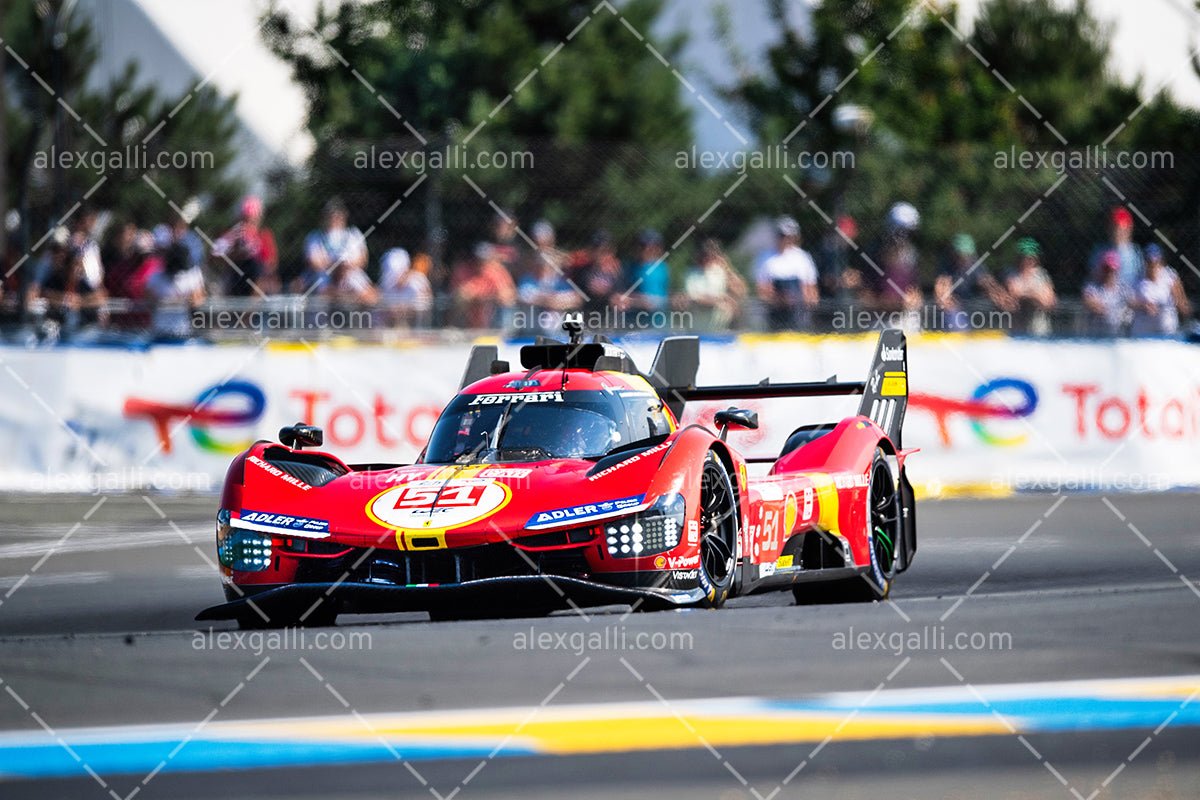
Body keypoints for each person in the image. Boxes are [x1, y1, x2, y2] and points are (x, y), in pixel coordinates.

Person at [933, 233, 1011, 330]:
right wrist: (945, 299)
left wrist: (1001, 298)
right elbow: (942, 290)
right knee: (951, 313)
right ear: (954, 253)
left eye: (967, 254)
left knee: (999, 304)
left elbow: (989, 284)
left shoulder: (975, 265)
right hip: (955, 307)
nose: (964, 258)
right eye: (961, 254)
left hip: (972, 304)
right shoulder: (946, 266)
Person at [293, 198, 368, 294]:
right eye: (331, 215)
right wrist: (336, 268)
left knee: (366, 291)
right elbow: (314, 263)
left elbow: (362, 260)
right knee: (318, 285)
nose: (335, 218)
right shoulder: (314, 236)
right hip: (323, 274)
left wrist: (344, 268)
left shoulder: (354, 233)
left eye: (338, 215)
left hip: (351, 274)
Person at [756, 217, 818, 330]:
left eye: (789, 236)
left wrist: (797, 300)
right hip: (775, 313)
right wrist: (779, 299)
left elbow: (811, 292)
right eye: (782, 235)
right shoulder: (764, 258)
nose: (786, 239)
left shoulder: (803, 258)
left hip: (798, 313)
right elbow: (762, 290)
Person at [212, 196, 279, 296]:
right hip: (235, 277)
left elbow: (271, 262)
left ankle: (250, 308)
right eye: (246, 220)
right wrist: (237, 254)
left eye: (252, 220)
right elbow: (215, 256)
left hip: (256, 278)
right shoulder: (233, 234)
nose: (249, 224)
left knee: (256, 268)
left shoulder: (264, 235)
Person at [864, 202, 923, 315]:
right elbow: (865, 299)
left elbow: (915, 291)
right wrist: (897, 305)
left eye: (910, 233)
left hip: (909, 321)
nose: (906, 238)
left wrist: (916, 300)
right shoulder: (874, 255)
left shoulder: (912, 255)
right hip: (881, 323)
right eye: (903, 232)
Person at [39, 244, 108, 338]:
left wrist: (80, 301)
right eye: (74, 265)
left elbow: (100, 298)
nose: (78, 270)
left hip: (81, 327)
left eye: (79, 266)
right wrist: (65, 300)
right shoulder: (56, 280)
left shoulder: (82, 282)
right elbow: (44, 293)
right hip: (58, 325)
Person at [145, 238, 206, 340]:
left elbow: (198, 301)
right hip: (160, 330)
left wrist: (182, 301)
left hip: (183, 330)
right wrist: (166, 302)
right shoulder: (156, 277)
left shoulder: (191, 276)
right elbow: (148, 298)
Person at [682, 238, 746, 330]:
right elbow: (695, 298)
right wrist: (719, 301)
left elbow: (740, 291)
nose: (706, 258)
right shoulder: (691, 274)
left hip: (720, 329)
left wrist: (727, 268)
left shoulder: (719, 272)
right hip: (698, 328)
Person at [1130, 243, 1190, 337]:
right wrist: (1144, 305)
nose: (1152, 265)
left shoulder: (1170, 276)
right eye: (1149, 262)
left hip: (1166, 328)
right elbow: (1130, 301)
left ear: (1161, 261)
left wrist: (1179, 305)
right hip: (1143, 330)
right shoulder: (1137, 279)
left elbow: (1181, 302)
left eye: (1155, 261)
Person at [451, 243, 516, 328]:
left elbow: (507, 295)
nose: (482, 263)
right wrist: (476, 297)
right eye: (479, 259)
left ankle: (502, 332)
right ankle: (457, 327)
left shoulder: (497, 271)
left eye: (485, 259)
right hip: (471, 311)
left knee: (505, 305)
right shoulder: (465, 271)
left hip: (493, 311)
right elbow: (460, 293)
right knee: (460, 301)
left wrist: (487, 297)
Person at [1004, 237, 1056, 336]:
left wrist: (1028, 294)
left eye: (1031, 258)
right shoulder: (1012, 274)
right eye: (1024, 257)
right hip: (1018, 326)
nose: (1027, 261)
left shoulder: (1042, 275)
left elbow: (1049, 302)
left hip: (1039, 327)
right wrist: (1035, 294)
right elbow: (1013, 297)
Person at [378, 247, 433, 328]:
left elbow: (425, 308)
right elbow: (382, 308)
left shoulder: (418, 281)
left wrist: (404, 309)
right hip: (391, 327)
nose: (394, 280)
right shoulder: (387, 284)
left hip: (416, 327)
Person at [1082, 251, 1132, 337]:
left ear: (1117, 270)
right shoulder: (1093, 287)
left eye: (1112, 270)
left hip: (1119, 334)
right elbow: (1088, 301)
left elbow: (1132, 303)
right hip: (1097, 336)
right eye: (1106, 269)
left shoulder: (1124, 289)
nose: (1110, 273)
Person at [1089, 207, 1142, 286]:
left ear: (1129, 229)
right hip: (1106, 293)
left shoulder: (1135, 253)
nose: (1117, 232)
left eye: (1121, 229)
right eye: (1114, 228)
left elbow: (1141, 279)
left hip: (1131, 294)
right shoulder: (1100, 251)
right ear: (1109, 229)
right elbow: (1093, 278)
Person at [623, 229, 671, 313]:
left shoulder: (662, 268)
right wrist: (637, 301)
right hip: (634, 320)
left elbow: (665, 293)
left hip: (659, 320)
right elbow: (621, 294)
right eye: (643, 245)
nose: (648, 249)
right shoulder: (628, 267)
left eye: (653, 246)